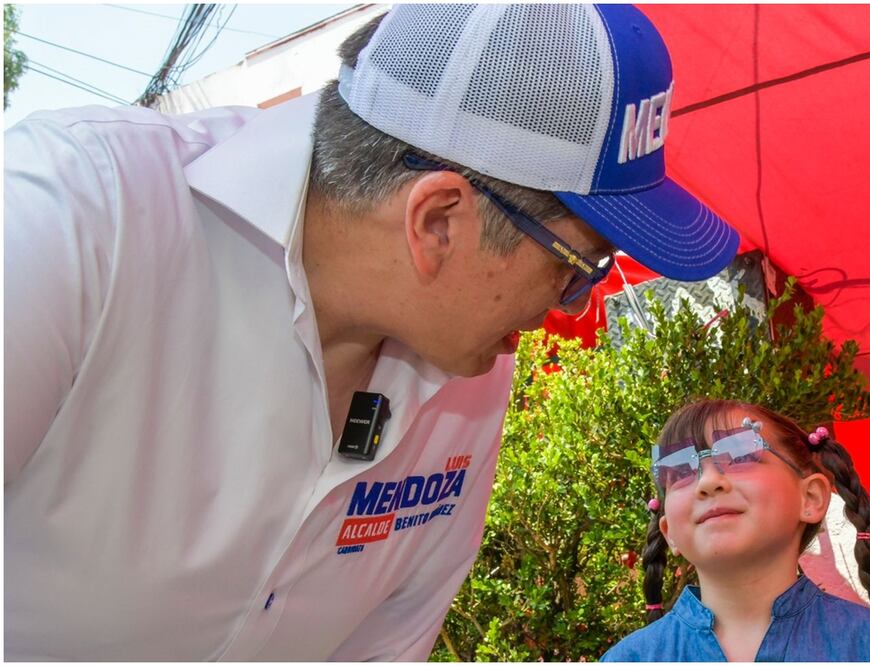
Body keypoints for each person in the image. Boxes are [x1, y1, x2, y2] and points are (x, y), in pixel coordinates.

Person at [3, 4, 742, 661]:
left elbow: (388, 639)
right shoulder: (71, 219)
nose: (574, 309)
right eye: (579, 267)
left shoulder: (471, 364)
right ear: (438, 220)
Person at [602, 400, 870, 662]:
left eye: (740, 454)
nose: (708, 481)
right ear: (669, 530)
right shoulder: (625, 660)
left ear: (811, 497)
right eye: (680, 470)